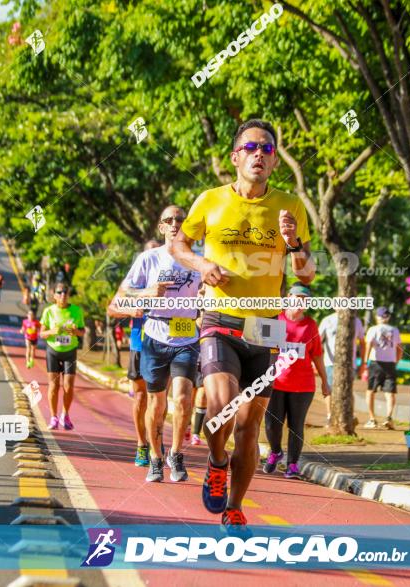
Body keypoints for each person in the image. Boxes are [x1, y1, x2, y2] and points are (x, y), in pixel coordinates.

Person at [172, 119, 316, 533]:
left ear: (274, 162)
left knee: (250, 425)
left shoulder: (290, 206)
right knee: (221, 409)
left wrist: (293, 243)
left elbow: (305, 274)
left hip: (266, 327)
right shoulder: (210, 200)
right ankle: (217, 464)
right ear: (235, 157)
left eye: (268, 149)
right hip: (220, 318)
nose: (259, 154)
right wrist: (201, 264)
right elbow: (179, 244)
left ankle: (235, 506)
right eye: (251, 147)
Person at [112, 205, 201, 483]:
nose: (175, 224)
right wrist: (143, 295)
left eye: (180, 219)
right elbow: (117, 302)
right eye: (169, 220)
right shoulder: (148, 259)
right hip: (155, 335)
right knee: (156, 403)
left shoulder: (200, 261)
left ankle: (175, 454)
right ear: (161, 227)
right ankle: (155, 457)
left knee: (185, 398)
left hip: (187, 335)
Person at [263, 284, 330, 479]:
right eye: (298, 298)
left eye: (305, 300)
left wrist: (325, 382)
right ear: (288, 297)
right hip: (275, 382)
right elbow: (263, 349)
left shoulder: (310, 325)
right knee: (271, 424)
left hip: (303, 385)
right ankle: (275, 452)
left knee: (296, 425)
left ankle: (292, 464)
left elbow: (317, 355)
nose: (301, 302)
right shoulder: (276, 319)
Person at [108, 239, 162, 467]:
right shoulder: (135, 283)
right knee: (140, 397)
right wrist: (131, 309)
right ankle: (142, 444)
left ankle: (157, 444)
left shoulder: (172, 280)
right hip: (140, 344)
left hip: (164, 344)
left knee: (159, 397)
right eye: (147, 255)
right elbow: (112, 308)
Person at [39, 283, 86, 430]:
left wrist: (75, 332)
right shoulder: (49, 311)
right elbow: (42, 333)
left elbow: (82, 331)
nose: (63, 295)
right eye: (59, 292)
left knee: (68, 386)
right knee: (54, 386)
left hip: (70, 351)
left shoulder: (76, 311)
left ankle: (65, 415)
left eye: (65, 292)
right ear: (54, 296)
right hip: (53, 350)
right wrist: (53, 331)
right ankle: (53, 417)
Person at [318, 311, 365, 427]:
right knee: (328, 390)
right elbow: (318, 340)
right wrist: (316, 359)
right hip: (330, 362)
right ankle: (330, 416)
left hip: (350, 363)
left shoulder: (356, 320)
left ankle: (350, 415)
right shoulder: (327, 320)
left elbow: (363, 342)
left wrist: (363, 363)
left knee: (348, 389)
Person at [362, 307, 402, 429]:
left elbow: (368, 345)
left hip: (376, 363)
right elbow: (399, 348)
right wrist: (396, 361)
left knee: (370, 391)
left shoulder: (373, 329)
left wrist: (365, 362)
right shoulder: (394, 330)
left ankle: (372, 419)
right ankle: (389, 417)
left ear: (377, 317)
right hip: (390, 363)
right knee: (390, 393)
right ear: (388, 317)